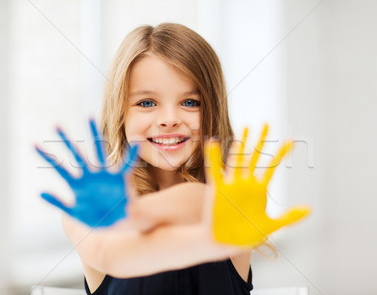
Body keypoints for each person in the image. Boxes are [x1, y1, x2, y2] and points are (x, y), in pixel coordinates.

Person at [53, 23, 303, 295]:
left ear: (212, 110)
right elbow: (110, 254)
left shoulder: (229, 203)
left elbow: (197, 203)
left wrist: (134, 214)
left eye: (190, 102)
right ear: (120, 113)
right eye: (147, 103)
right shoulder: (88, 212)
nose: (170, 119)